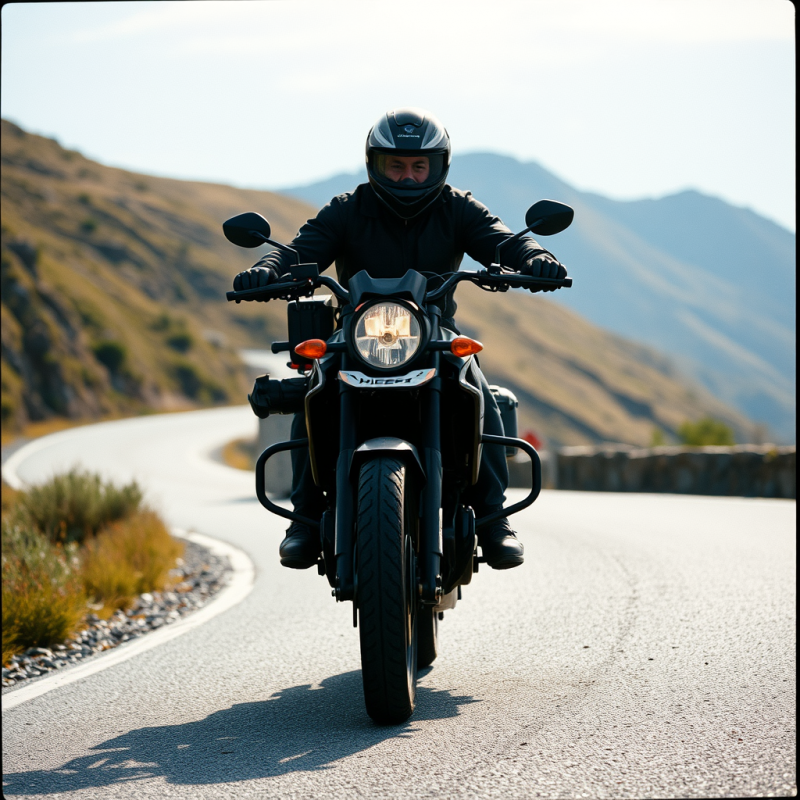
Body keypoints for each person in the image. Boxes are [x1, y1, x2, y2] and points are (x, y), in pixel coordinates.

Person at [233, 108, 567, 571]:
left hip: (432, 332)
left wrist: (535, 256)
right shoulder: (348, 209)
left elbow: (503, 240)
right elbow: (301, 250)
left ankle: (493, 520)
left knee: (475, 384)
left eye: (419, 166)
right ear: (375, 164)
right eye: (396, 165)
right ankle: (305, 521)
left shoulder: (457, 207)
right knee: (318, 386)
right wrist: (267, 269)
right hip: (356, 333)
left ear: (438, 166)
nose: (408, 176)